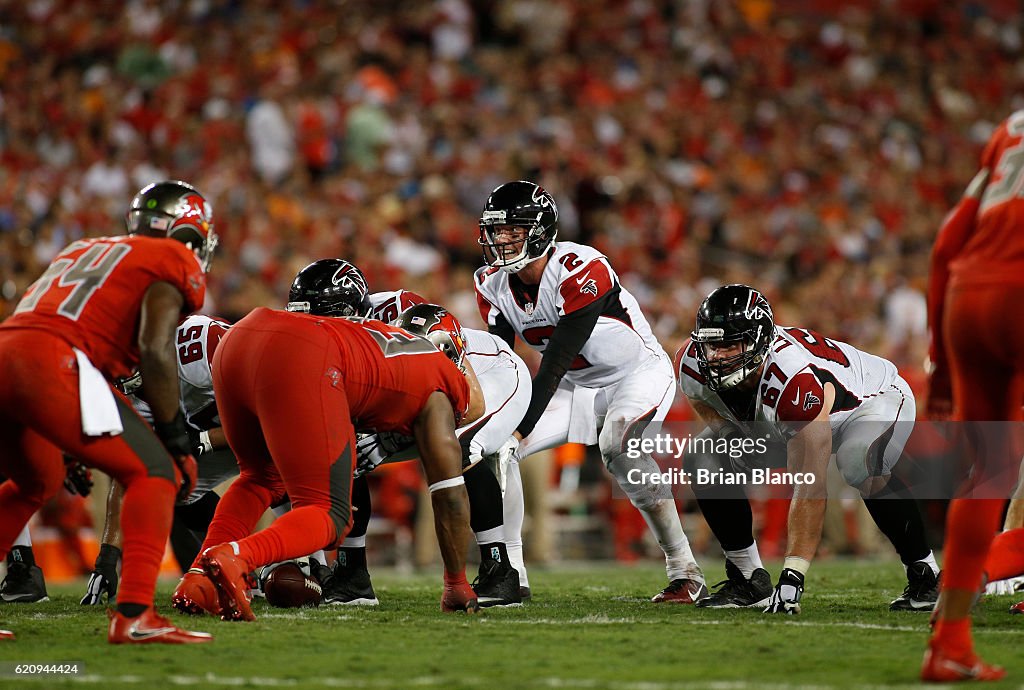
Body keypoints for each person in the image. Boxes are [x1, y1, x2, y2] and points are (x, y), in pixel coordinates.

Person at [0, 180, 216, 644]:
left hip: (9, 350)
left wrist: (66, 439)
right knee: (156, 472)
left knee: (35, 481)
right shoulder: (172, 258)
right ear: (187, 231)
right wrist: (176, 435)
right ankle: (135, 614)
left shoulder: (83, 248)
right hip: (51, 362)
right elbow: (155, 348)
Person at [474, 180, 706, 602]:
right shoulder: (490, 284)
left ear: (541, 229)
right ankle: (509, 575)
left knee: (618, 447)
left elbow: (555, 360)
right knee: (492, 452)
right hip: (574, 387)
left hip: (635, 374)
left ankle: (684, 569)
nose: (502, 239)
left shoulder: (581, 268)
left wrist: (520, 430)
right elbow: (505, 365)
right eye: (497, 230)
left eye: (514, 229)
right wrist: (496, 427)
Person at [186, 305, 487, 621]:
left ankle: (197, 580)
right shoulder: (443, 383)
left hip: (241, 336)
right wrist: (457, 582)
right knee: (330, 514)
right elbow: (450, 496)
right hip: (303, 355)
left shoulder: (383, 340)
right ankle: (236, 557)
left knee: (260, 478)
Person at [677, 284, 939, 614]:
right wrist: (728, 431)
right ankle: (748, 579)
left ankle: (926, 575)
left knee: (857, 461)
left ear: (757, 340)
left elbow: (810, 485)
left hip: (871, 401)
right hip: (792, 416)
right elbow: (700, 397)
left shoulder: (791, 378)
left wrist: (793, 575)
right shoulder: (692, 360)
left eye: (729, 344)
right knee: (703, 455)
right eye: (711, 344)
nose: (716, 355)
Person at [283, 259, 527, 607]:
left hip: (489, 378)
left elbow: (464, 401)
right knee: (342, 449)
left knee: (458, 448)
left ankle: (499, 571)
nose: (310, 328)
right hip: (424, 398)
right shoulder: (322, 345)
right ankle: (352, 575)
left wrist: (390, 438)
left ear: (348, 311)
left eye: (319, 318)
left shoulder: (403, 316)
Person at [921, 110, 1024, 682]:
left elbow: (944, 246)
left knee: (990, 476)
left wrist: (937, 365)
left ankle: (950, 641)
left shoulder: (1010, 125)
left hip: (969, 298)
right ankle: (995, 564)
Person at [75, 314, 235, 607]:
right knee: (185, 491)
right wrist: (107, 558)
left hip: (263, 426)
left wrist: (205, 440)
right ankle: (233, 563)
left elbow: (264, 413)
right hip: (223, 435)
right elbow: (130, 472)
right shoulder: (135, 397)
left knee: (278, 481)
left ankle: (307, 565)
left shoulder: (198, 344)